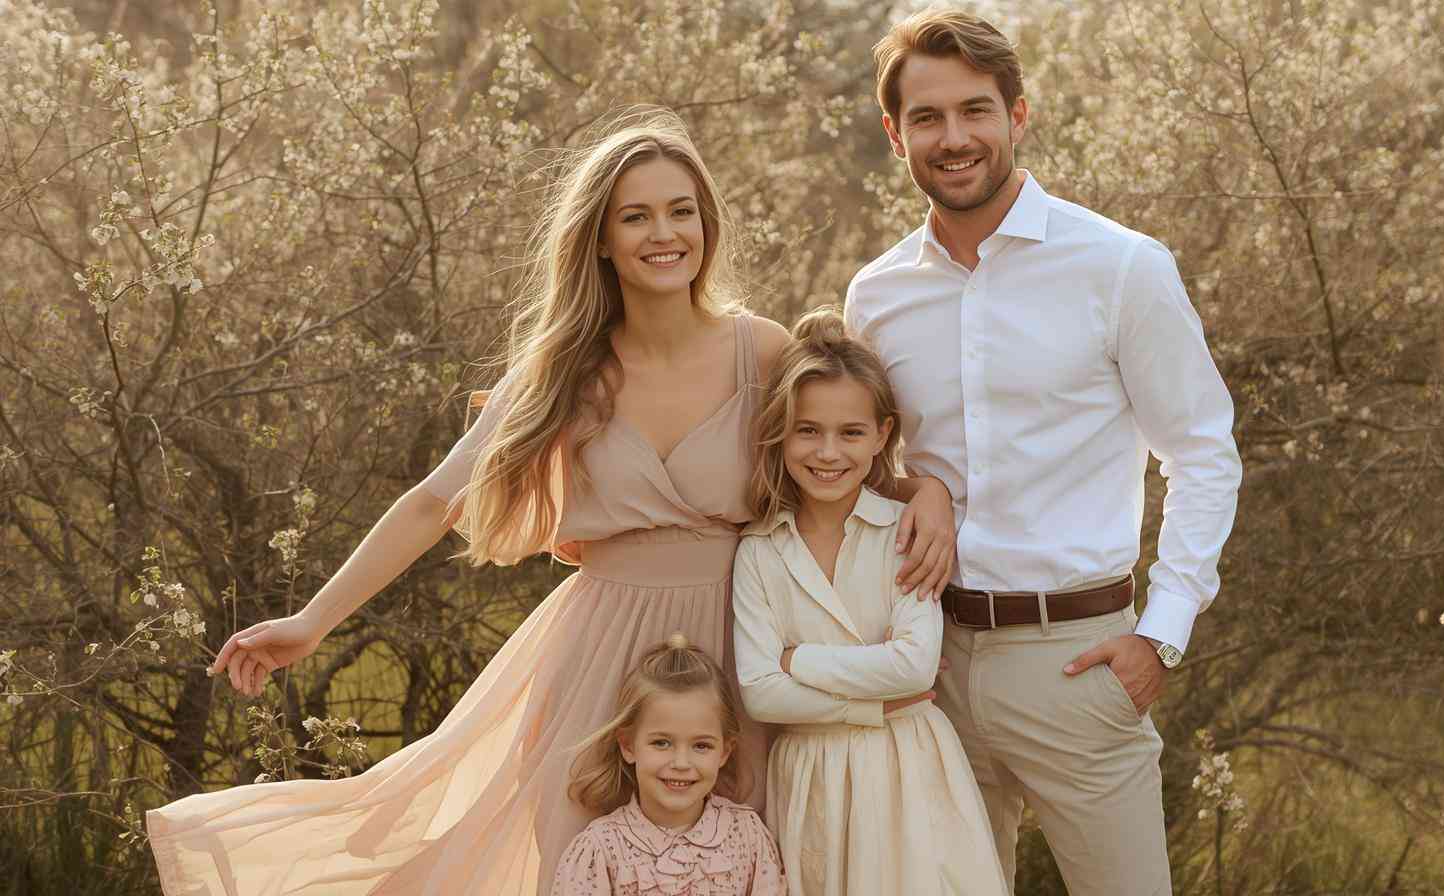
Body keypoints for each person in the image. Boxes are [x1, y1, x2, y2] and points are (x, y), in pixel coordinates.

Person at [144, 109, 955, 896]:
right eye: (635, 216)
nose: (663, 233)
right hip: (595, 657)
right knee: (577, 855)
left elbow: (841, 461)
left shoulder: (763, 351)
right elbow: (436, 502)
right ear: (601, 239)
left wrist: (931, 493)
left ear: (707, 225)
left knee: (744, 858)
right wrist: (312, 621)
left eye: (681, 211)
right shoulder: (564, 371)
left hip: (745, 650)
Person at [845, 10, 1244, 896]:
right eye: (927, 118)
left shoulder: (1121, 268)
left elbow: (1204, 455)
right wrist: (925, 489)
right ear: (893, 132)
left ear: (1017, 116)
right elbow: (858, 465)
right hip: (927, 662)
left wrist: (1161, 636)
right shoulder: (876, 296)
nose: (954, 139)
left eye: (976, 112)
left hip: (1079, 665)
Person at [731, 307, 1009, 895]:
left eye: (850, 433)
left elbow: (913, 664)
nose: (828, 452)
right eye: (808, 430)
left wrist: (797, 660)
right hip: (812, 771)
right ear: (782, 430)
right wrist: (868, 703)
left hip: (909, 762)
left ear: (882, 434)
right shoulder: (758, 549)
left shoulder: (904, 532)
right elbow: (759, 691)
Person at [553, 634, 784, 896]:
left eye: (701, 746)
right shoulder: (600, 849)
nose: (681, 763)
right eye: (662, 743)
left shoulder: (747, 834)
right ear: (628, 745)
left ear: (724, 752)